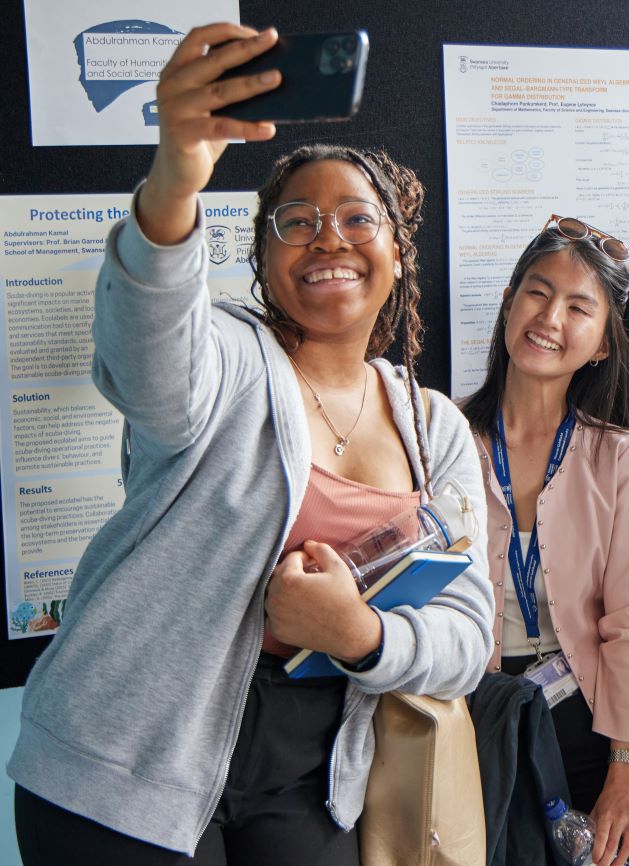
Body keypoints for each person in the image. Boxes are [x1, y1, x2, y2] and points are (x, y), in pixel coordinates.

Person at [6, 24, 493, 866]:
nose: (328, 238)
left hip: (310, 772)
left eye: (356, 218)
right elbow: (149, 356)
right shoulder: (229, 358)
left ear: (397, 254)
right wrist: (175, 181)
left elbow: (468, 635)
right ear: (261, 260)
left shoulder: (433, 425)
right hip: (125, 758)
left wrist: (361, 637)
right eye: (295, 221)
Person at [461, 215, 629, 866]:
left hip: (591, 728)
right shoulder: (441, 442)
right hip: (477, 724)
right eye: (538, 292)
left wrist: (624, 775)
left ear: (603, 343)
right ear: (508, 303)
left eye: (579, 306)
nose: (550, 317)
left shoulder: (617, 459)